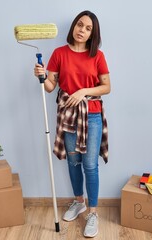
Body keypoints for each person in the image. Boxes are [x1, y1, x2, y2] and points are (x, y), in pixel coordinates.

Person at [34, 10, 111, 238]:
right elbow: (50, 86)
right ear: (74, 27)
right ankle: (79, 202)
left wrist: (84, 91)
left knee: (90, 165)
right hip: (68, 114)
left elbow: (107, 87)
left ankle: (93, 213)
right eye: (80, 25)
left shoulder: (97, 56)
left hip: (92, 115)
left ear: (92, 34)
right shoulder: (59, 53)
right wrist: (40, 75)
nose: (82, 30)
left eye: (88, 28)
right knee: (74, 162)